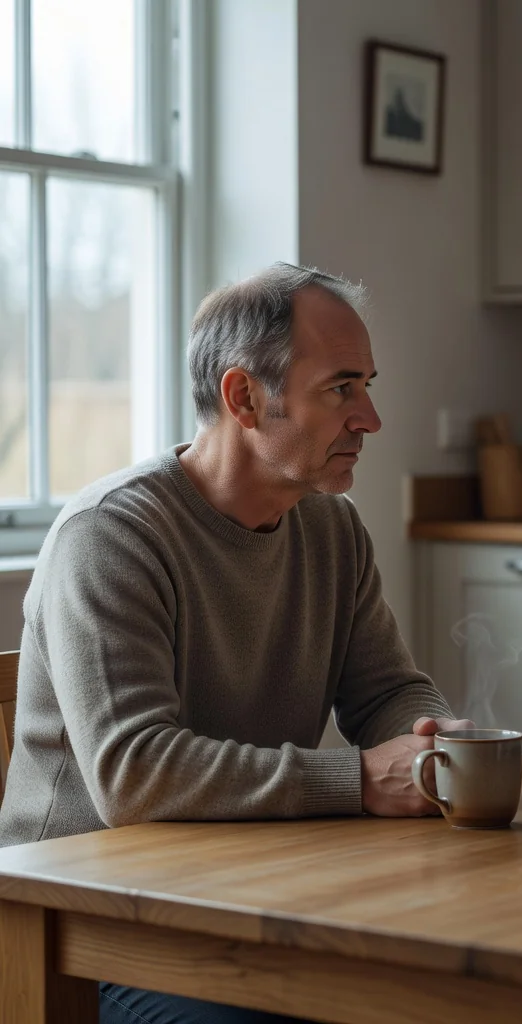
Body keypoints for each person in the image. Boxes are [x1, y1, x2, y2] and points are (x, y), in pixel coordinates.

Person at [0, 263, 471, 1023]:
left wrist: (432, 738)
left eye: (368, 386)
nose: (371, 419)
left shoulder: (331, 527)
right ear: (244, 397)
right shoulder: (111, 536)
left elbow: (386, 690)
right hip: (80, 921)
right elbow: (135, 774)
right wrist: (359, 781)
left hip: (240, 885)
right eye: (341, 388)